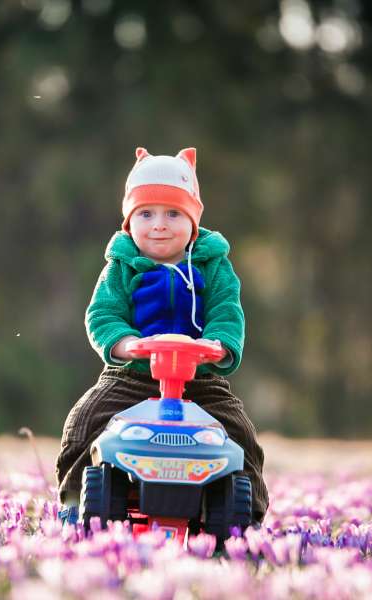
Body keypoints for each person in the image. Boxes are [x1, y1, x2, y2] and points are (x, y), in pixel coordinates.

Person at [55, 146, 268, 526]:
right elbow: (102, 314)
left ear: (193, 221)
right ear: (129, 221)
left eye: (173, 213)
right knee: (85, 420)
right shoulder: (120, 265)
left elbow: (226, 309)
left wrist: (219, 344)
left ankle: (246, 515)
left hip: (200, 381)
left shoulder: (213, 264)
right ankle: (74, 500)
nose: (159, 224)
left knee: (240, 434)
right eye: (146, 213)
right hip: (132, 377)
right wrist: (123, 343)